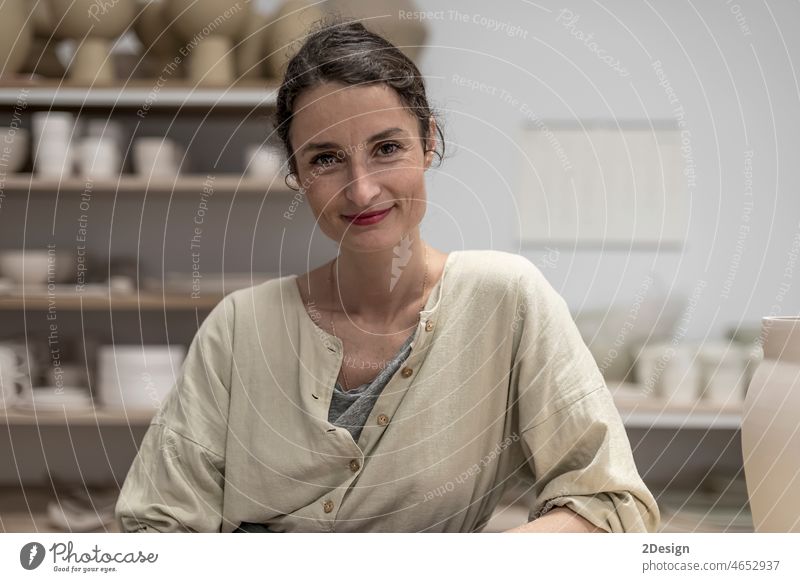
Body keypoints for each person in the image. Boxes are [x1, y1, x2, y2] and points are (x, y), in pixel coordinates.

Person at [115, 18, 659, 533]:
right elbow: (156, 523)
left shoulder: (506, 299)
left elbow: (610, 505)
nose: (362, 189)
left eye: (387, 148)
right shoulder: (239, 325)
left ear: (429, 143)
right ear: (297, 175)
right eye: (326, 158)